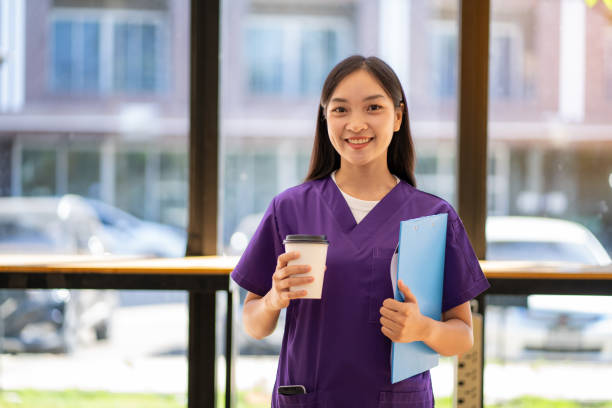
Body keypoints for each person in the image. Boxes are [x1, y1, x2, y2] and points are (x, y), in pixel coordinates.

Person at [231, 55, 490, 407]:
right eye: (340, 110)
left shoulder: (431, 216)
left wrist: (424, 329)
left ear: (398, 117)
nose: (356, 124)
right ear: (325, 119)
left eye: (373, 108)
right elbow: (254, 325)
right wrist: (274, 300)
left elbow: (462, 337)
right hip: (309, 397)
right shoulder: (290, 208)